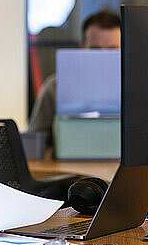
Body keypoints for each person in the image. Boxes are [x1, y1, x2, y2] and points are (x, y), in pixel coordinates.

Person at [28, 11, 121, 147]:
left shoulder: (138, 88)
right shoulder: (56, 86)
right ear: (82, 46)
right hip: (67, 165)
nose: (103, 56)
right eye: (96, 49)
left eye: (112, 50)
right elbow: (35, 140)